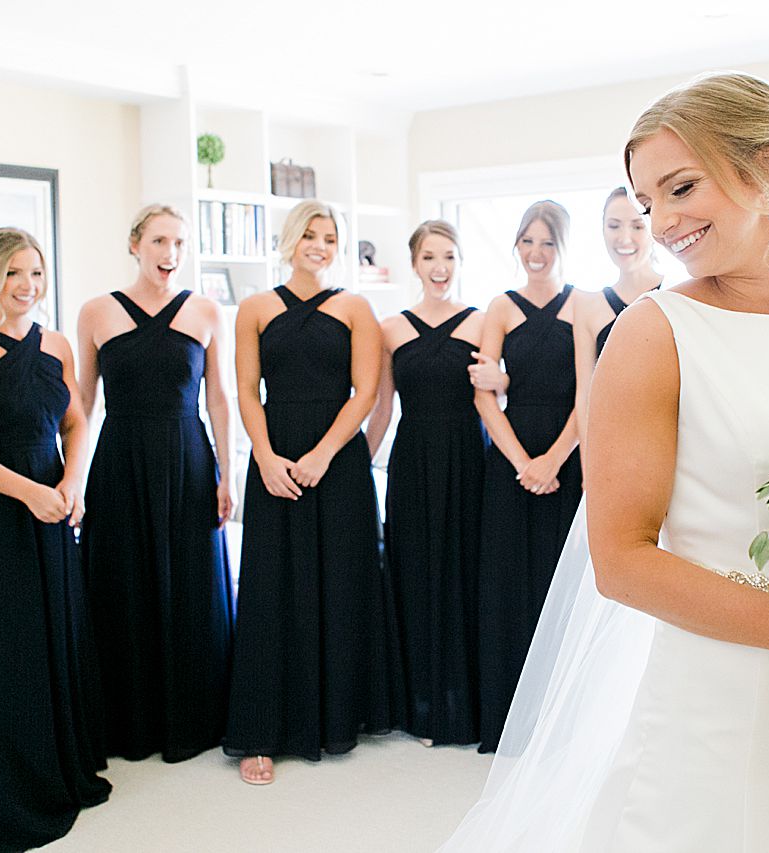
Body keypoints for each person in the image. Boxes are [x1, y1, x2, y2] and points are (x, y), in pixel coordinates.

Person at [442, 73, 769, 851]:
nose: (661, 224)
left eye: (681, 188)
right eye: (647, 204)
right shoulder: (652, 333)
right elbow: (622, 562)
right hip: (725, 706)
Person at [0, 227, 110, 851]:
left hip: (51, 504)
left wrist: (72, 480)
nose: (26, 286)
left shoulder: (55, 344)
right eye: (12, 273)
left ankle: (53, 768)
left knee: (50, 637)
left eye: (35, 273)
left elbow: (77, 418)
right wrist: (28, 492)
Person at [224, 200, 399, 784]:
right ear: (290, 240)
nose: (319, 245)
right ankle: (259, 735)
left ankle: (337, 718)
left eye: (329, 237)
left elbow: (367, 391)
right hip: (274, 458)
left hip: (338, 461)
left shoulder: (355, 307)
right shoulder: (253, 308)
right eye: (310, 235)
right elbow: (247, 390)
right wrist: (266, 456)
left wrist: (325, 453)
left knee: (342, 581)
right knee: (271, 589)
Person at [77, 204, 236, 763]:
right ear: (135, 245)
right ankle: (129, 724)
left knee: (193, 587)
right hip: (119, 461)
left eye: (180, 244)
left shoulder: (208, 311)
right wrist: (70, 478)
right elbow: (82, 404)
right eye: (160, 241)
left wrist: (226, 471)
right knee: (122, 584)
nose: (171, 254)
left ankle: (195, 721)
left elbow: (218, 397)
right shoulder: (96, 312)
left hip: (188, 458)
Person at [367, 220, 486, 747]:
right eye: (430, 257)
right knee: (412, 572)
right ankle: (417, 704)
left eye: (450, 257)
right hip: (412, 461)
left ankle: (463, 704)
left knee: (464, 573)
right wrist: (355, 468)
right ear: (414, 263)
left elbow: (498, 396)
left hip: (468, 459)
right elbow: (380, 407)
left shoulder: (483, 322)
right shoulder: (390, 327)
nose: (440, 268)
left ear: (461, 262)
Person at [474, 200, 583, 753]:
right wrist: (522, 463)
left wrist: (553, 461)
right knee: (507, 583)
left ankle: (562, 725)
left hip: (568, 460)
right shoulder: (500, 306)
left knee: (560, 585)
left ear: (563, 247)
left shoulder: (582, 306)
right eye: (527, 242)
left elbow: (590, 395)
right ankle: (507, 719)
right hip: (510, 464)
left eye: (547, 243)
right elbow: (485, 395)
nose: (536, 254)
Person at [571, 187, 662, 457]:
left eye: (637, 225)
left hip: (669, 443)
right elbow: (585, 395)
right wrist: (589, 470)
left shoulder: (677, 294)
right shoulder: (587, 306)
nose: (624, 238)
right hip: (609, 449)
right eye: (614, 226)